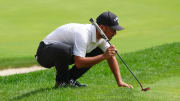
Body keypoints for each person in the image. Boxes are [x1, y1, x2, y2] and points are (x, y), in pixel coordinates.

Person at [35, 11, 133, 88]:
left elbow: (111, 57)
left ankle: (70, 80)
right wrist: (103, 56)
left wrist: (119, 81)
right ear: (102, 28)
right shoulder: (83, 34)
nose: (115, 33)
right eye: (113, 29)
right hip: (44, 53)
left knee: (99, 51)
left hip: (63, 53)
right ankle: (62, 82)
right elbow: (79, 63)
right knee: (66, 50)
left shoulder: (102, 37)